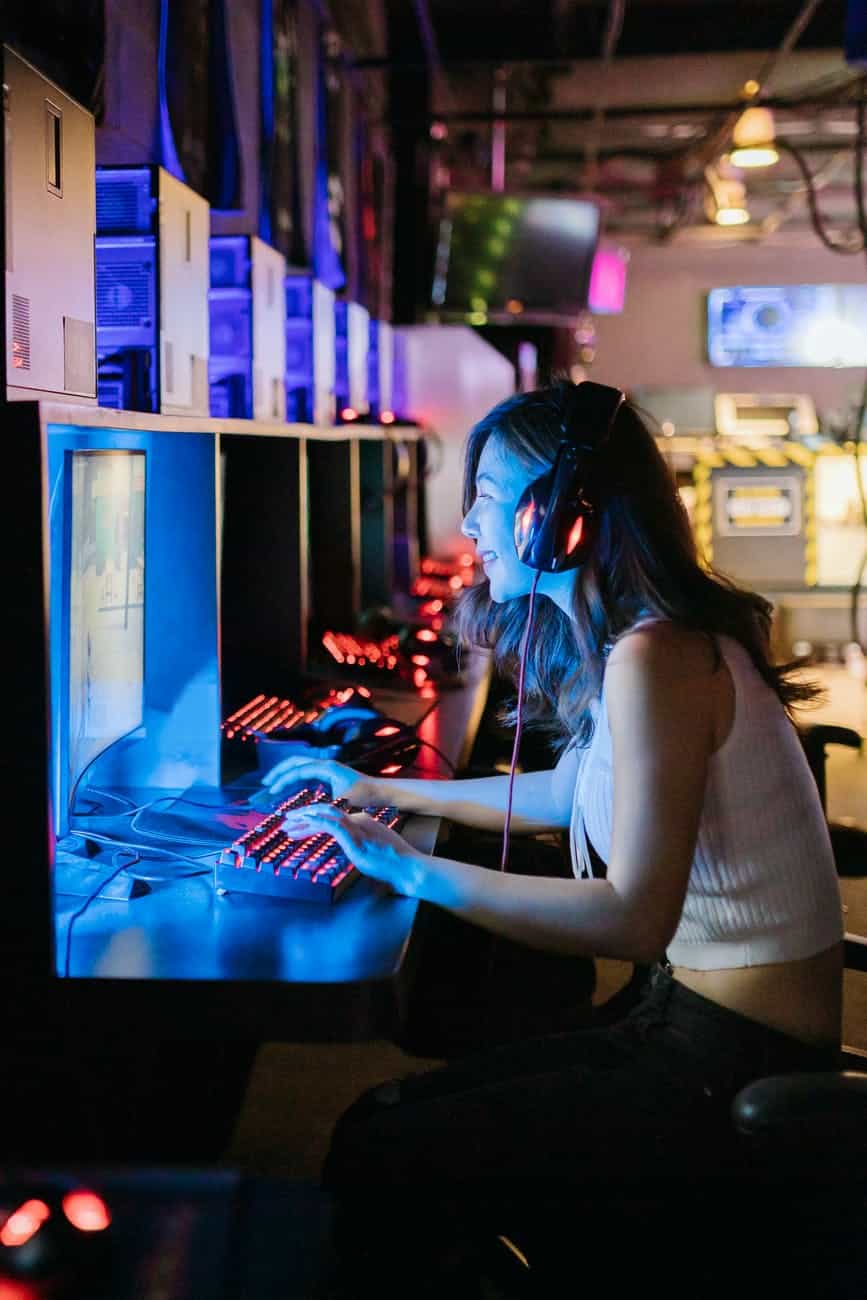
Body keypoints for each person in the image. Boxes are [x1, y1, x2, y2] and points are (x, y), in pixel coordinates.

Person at [264, 380, 844, 1297]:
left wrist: (410, 870)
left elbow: (630, 918)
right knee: (401, 1111)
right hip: (682, 1019)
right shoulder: (644, 642)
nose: (472, 526)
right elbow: (571, 795)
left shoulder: (659, 658)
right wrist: (378, 786)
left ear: (561, 520)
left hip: (731, 1056)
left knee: (385, 1142)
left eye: (489, 498)